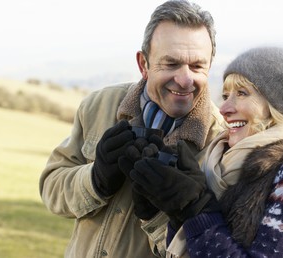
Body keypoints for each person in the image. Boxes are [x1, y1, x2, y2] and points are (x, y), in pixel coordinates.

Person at [39, 0, 224, 257]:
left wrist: (161, 216)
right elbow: (51, 188)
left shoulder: (223, 142)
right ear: (143, 64)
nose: (184, 80)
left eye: (197, 66)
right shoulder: (99, 104)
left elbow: (214, 249)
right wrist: (95, 180)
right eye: (170, 64)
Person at [128, 46, 283, 257]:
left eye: (242, 93)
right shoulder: (220, 165)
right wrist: (166, 211)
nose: (224, 108)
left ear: (280, 105)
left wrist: (199, 212)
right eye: (226, 95)